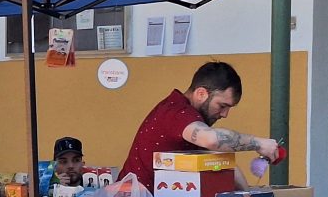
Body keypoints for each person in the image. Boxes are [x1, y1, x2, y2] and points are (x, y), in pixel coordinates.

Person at [119, 61, 279, 190]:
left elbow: (221, 161)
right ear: (201, 93)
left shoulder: (190, 118)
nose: (225, 114)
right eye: (222, 106)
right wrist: (259, 143)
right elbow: (211, 140)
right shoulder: (178, 112)